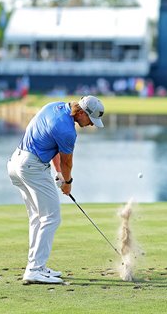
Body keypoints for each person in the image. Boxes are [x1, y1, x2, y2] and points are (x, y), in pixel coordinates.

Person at [7, 95, 105, 284]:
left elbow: (54, 149)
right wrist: (67, 182)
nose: (92, 125)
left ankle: (36, 266)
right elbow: (67, 160)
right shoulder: (68, 131)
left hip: (15, 163)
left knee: (37, 217)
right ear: (82, 113)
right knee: (51, 217)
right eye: (91, 120)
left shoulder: (55, 107)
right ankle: (35, 269)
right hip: (31, 167)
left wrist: (59, 173)